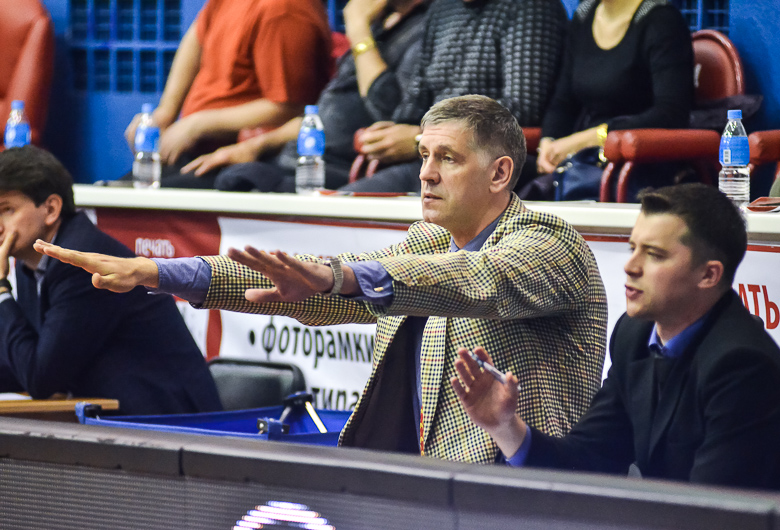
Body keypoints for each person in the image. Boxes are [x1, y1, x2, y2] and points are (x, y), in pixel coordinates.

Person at [36, 96, 607, 463]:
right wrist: (155, 271)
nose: (426, 174)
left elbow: (472, 279)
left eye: (448, 159)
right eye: (422, 155)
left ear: (500, 173)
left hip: (529, 499)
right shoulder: (428, 241)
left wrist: (339, 278)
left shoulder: (551, 243)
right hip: (422, 492)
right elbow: (305, 281)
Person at [452, 183, 780, 490]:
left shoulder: (743, 368)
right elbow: (587, 460)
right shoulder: (635, 335)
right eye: (633, 248)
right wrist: (505, 427)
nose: (630, 266)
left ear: (708, 275)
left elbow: (712, 515)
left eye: (654, 255)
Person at [0, 146, 222, 415]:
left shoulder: (80, 262)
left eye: (7, 209)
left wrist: (1, 292)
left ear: (51, 209)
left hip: (170, 420)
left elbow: (40, 379)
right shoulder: (31, 263)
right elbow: (21, 363)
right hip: (120, 418)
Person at [179, 0, 429, 192]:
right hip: (293, 160)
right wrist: (254, 147)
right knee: (193, 179)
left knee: (213, 184)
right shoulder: (380, 21)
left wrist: (358, 30)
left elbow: (390, 113)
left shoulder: (426, 28)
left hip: (335, 172)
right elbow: (319, 116)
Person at [335, 0, 568, 194]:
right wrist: (394, 131)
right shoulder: (443, 8)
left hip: (484, 163)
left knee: (351, 212)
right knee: (343, 206)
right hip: (430, 158)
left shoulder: (530, 6)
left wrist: (421, 138)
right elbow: (413, 103)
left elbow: (521, 109)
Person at [124, 0, 332, 189]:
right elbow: (197, 36)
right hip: (200, 149)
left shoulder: (284, 10)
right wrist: (166, 111)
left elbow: (290, 107)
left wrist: (198, 125)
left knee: (141, 206)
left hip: (248, 157)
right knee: (117, 195)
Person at [520, 0, 694, 201]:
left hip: (639, 161)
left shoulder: (662, 20)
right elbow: (563, 101)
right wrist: (548, 142)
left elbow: (670, 113)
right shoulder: (585, 14)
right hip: (584, 160)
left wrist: (592, 138)